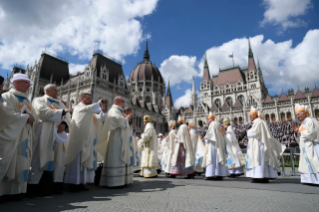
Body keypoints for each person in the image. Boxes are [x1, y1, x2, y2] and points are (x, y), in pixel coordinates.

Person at [27, 84, 72, 196]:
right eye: (55, 90)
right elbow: (41, 112)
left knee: (57, 159)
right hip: (44, 132)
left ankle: (52, 187)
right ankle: (33, 187)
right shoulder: (39, 100)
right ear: (47, 90)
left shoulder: (60, 103)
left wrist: (64, 124)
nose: (57, 91)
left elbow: (68, 117)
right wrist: (61, 113)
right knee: (39, 157)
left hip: (58, 135)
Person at [0, 73, 36, 202]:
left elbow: (33, 116)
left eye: (29, 83)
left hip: (25, 136)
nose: (29, 85)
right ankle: (4, 192)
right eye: (26, 83)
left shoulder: (27, 100)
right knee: (9, 162)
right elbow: (5, 115)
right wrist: (26, 117)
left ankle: (18, 192)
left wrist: (32, 119)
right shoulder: (6, 96)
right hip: (12, 137)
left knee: (22, 164)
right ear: (17, 83)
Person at [64, 93, 102, 192]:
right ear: (82, 98)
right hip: (77, 139)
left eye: (91, 98)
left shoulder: (87, 108)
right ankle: (73, 183)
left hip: (84, 139)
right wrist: (99, 102)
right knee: (76, 162)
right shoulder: (79, 108)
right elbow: (94, 108)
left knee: (82, 162)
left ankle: (81, 183)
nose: (90, 100)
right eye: (88, 98)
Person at [97, 96, 134, 188]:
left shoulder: (119, 110)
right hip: (116, 139)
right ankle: (115, 182)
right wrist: (127, 118)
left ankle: (121, 181)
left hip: (120, 139)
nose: (124, 103)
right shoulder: (114, 110)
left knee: (119, 159)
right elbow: (114, 119)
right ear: (117, 101)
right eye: (123, 101)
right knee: (116, 158)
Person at [245, 106, 279, 183]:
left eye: (251, 114)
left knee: (259, 160)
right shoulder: (258, 122)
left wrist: (248, 132)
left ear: (255, 115)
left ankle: (261, 176)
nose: (249, 116)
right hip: (257, 145)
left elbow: (255, 133)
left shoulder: (258, 122)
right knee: (259, 160)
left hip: (259, 145)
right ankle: (258, 176)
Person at [291, 104, 319, 185]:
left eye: (299, 114)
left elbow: (311, 133)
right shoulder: (303, 123)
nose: (297, 116)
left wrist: (299, 131)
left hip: (312, 147)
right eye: (296, 115)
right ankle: (309, 180)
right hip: (305, 148)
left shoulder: (310, 121)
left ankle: (315, 180)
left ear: (304, 114)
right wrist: (297, 133)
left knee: (314, 162)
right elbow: (300, 137)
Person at [202, 112, 230, 180]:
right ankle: (219, 174)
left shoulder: (212, 124)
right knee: (218, 159)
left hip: (213, 144)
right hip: (219, 145)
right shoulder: (218, 124)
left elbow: (209, 136)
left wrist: (204, 138)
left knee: (212, 159)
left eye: (208, 119)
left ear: (211, 119)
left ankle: (211, 175)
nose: (207, 120)